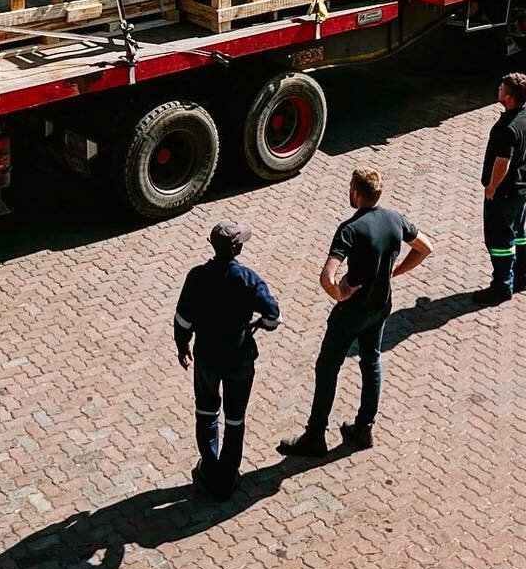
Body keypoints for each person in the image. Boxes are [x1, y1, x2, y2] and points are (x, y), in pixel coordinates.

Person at [279, 167, 432, 457]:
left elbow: (327, 277)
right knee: (371, 362)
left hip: (351, 312)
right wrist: (393, 273)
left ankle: (315, 435)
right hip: (381, 306)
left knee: (327, 368)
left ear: (355, 193)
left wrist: (340, 293)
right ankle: (364, 427)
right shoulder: (395, 219)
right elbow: (425, 248)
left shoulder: (350, 229)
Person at [173, 219, 280, 497]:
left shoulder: (196, 276)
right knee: (235, 418)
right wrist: (259, 325)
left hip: (207, 356)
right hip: (239, 358)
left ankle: (209, 468)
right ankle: (228, 475)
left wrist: (182, 346)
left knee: (206, 412)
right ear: (236, 250)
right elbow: (273, 315)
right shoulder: (248, 279)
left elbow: (183, 320)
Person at [477, 71, 526, 305]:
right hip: (522, 188)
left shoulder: (505, 128)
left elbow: (503, 162)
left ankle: (502, 285)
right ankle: (521, 276)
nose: (498, 91)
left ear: (510, 97)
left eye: (501, 89)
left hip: (504, 193)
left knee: (499, 239)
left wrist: (492, 187)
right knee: (518, 232)